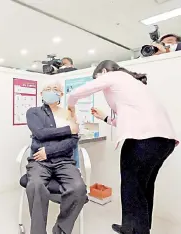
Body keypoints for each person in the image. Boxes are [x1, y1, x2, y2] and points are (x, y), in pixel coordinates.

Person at [67, 60, 178, 234]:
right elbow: (129, 120)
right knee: (144, 187)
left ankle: (137, 231)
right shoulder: (134, 84)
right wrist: (105, 119)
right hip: (164, 141)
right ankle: (132, 227)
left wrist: (70, 107)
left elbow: (77, 92)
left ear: (103, 71)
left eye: (98, 78)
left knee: (133, 188)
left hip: (143, 140)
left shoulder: (114, 76)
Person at [25, 80, 87, 234]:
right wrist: (68, 129)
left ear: (61, 93)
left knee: (78, 189)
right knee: (35, 185)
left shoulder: (68, 113)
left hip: (64, 161)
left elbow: (73, 140)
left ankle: (60, 230)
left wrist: (49, 150)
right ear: (41, 94)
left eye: (55, 89)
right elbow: (40, 133)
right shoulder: (33, 112)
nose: (51, 91)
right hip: (39, 161)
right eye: (47, 89)